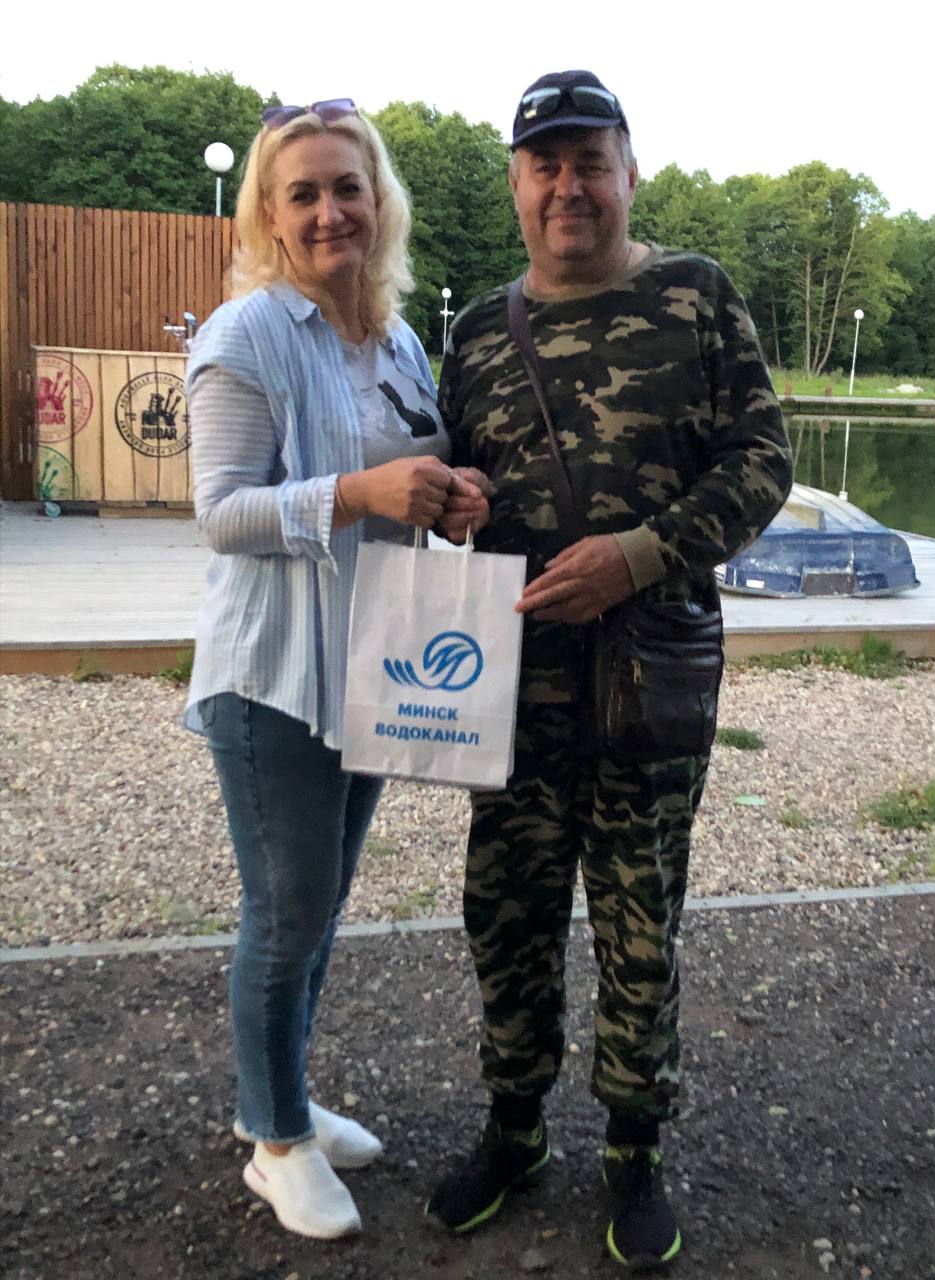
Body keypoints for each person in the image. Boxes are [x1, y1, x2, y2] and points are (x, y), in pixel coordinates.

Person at [428, 70, 793, 1267]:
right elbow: (452, 480)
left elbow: (762, 462)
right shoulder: (480, 333)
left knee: (641, 923)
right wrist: (449, 501)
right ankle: (515, 1126)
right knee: (507, 915)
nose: (569, 186)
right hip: (504, 687)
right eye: (546, 165)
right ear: (517, 185)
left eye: (592, 162)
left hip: (649, 676)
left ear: (630, 173)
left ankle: (635, 1146)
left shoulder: (695, 295)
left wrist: (637, 555)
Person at [182, 99, 488, 1241]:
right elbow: (221, 513)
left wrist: (449, 498)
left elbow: (409, 479)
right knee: (286, 911)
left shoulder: (395, 340)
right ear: (269, 214)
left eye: (346, 187)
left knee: (319, 906)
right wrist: (359, 494)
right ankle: (276, 1144)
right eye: (301, 193)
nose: (328, 212)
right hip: (273, 675)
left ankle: (279, 1096)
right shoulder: (246, 333)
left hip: (372, 663)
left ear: (378, 201)